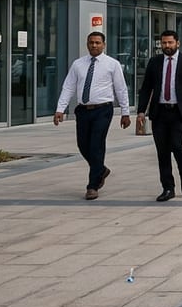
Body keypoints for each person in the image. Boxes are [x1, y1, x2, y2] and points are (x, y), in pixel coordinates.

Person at [53, 32, 132, 200]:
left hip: (103, 110)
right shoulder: (78, 64)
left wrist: (125, 112)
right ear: (87, 44)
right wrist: (60, 109)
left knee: (96, 144)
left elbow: (121, 89)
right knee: (83, 145)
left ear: (104, 44)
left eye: (97, 43)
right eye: (91, 43)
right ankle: (101, 170)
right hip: (83, 110)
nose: (94, 45)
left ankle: (92, 185)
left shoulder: (112, 64)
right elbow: (68, 87)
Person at [137, 30, 182, 202]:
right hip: (159, 112)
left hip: (179, 111)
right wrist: (140, 111)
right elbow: (146, 88)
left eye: (170, 43)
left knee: (178, 146)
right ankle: (168, 187)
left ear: (177, 43)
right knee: (162, 151)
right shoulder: (154, 62)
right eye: (163, 43)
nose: (166, 46)